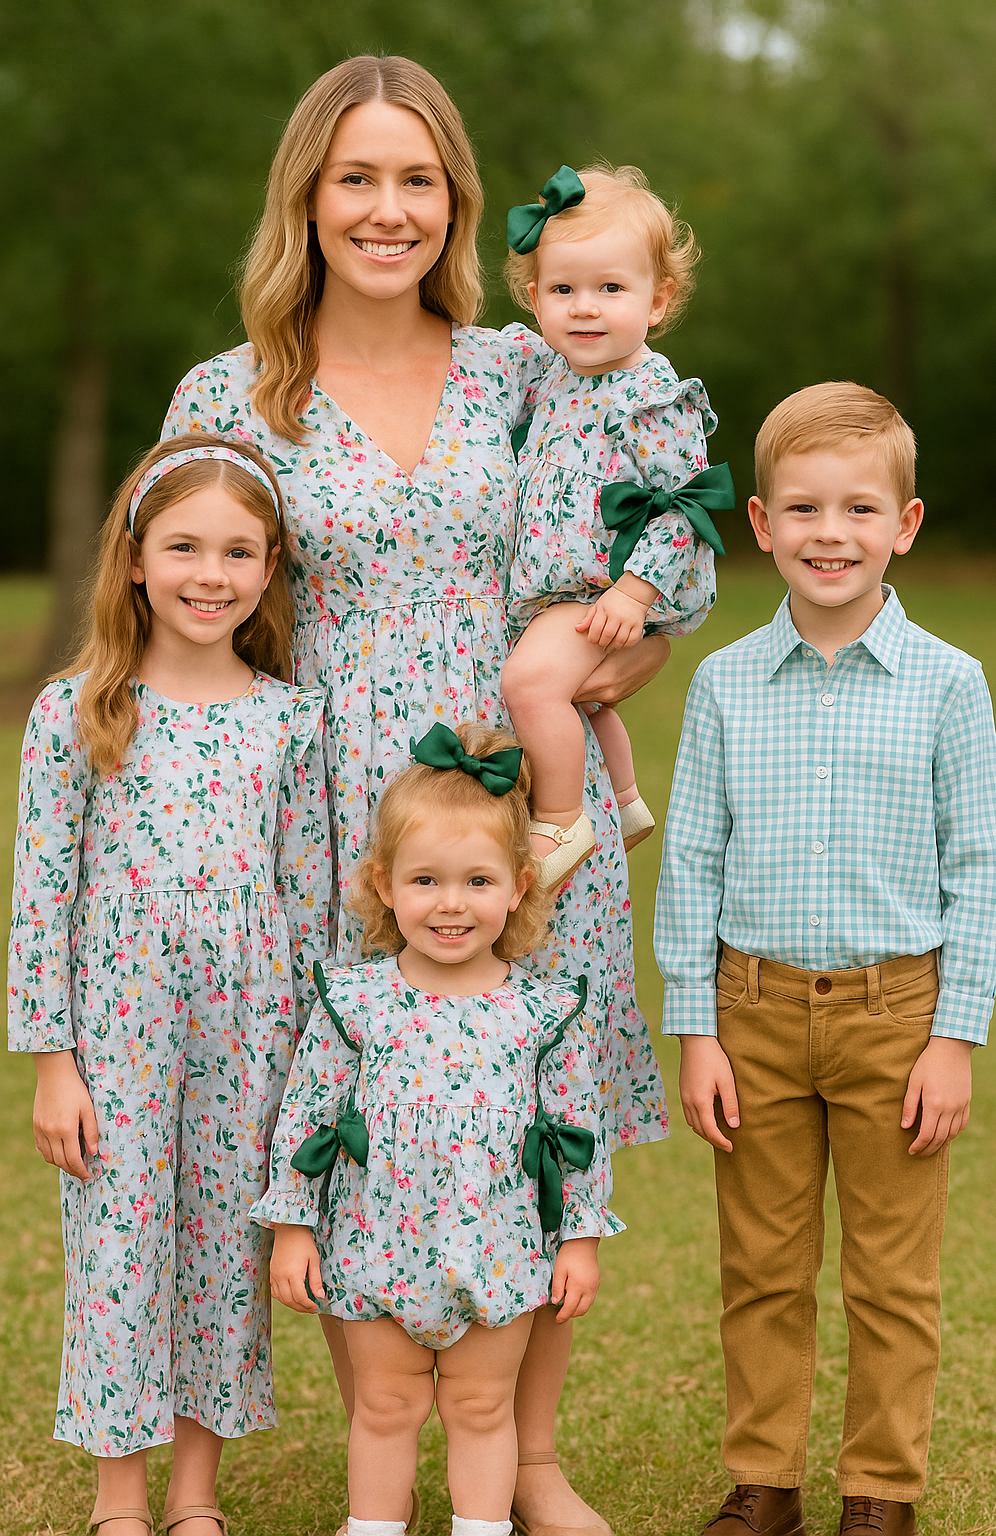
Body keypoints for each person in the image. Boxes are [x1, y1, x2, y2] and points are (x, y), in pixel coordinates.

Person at [162, 54, 667, 1534]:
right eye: (357, 179)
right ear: (307, 200)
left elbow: (648, 502)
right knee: (370, 1123)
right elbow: (193, 602)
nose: (388, 209)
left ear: (455, 201)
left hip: (526, 812)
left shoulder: (527, 370)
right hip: (337, 821)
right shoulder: (231, 392)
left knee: (531, 1111)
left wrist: (626, 634)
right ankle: (393, 1429)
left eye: (418, 180)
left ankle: (535, 1458)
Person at [654, 382, 996, 1536]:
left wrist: (952, 1039)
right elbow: (691, 864)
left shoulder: (949, 684)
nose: (829, 533)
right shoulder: (722, 685)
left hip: (896, 1016)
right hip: (750, 1010)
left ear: (902, 525)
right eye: (802, 509)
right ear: (760, 523)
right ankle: (763, 1486)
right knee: (760, 1269)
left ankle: (881, 1495)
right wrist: (696, 1029)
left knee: (891, 1282)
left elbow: (983, 872)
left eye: (859, 509)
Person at [7, 435, 331, 1536]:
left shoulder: (290, 720)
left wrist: (312, 1068)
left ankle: (195, 1495)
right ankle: (122, 1501)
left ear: (271, 565)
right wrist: (54, 1066)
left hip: (254, 1035)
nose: (211, 573)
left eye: (239, 551)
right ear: (135, 558)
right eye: (185, 545)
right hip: (116, 1038)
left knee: (221, 1261)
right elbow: (38, 903)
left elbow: (308, 903)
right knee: (120, 1256)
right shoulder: (79, 712)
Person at [253, 720, 622, 1536]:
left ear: (519, 886)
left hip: (500, 1248)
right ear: (383, 885)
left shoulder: (543, 1014)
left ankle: (482, 1526)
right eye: (425, 880)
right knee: (385, 1403)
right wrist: (292, 1230)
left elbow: (575, 1134)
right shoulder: (354, 1006)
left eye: (477, 881)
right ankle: (376, 1526)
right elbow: (306, 1120)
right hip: (376, 1243)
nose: (451, 904)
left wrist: (581, 1240)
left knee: (482, 1405)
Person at [501, 164, 731, 886]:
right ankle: (624, 800)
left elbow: (685, 504)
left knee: (530, 686)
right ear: (536, 299)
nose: (586, 309)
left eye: (611, 289)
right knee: (576, 697)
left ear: (657, 299)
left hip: (613, 584)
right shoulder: (556, 375)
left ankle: (562, 820)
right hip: (569, 588)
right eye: (563, 290)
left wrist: (634, 595)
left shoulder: (654, 395)